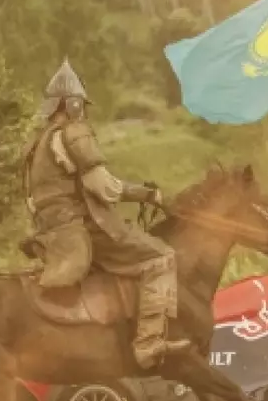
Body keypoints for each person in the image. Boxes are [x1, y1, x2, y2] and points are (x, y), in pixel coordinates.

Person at [22, 59, 190, 369]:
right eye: (80, 105)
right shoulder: (73, 133)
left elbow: (33, 199)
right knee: (161, 258)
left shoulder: (37, 143)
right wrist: (147, 195)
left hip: (50, 230)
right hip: (83, 227)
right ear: (73, 103)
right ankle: (148, 343)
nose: (83, 111)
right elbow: (104, 188)